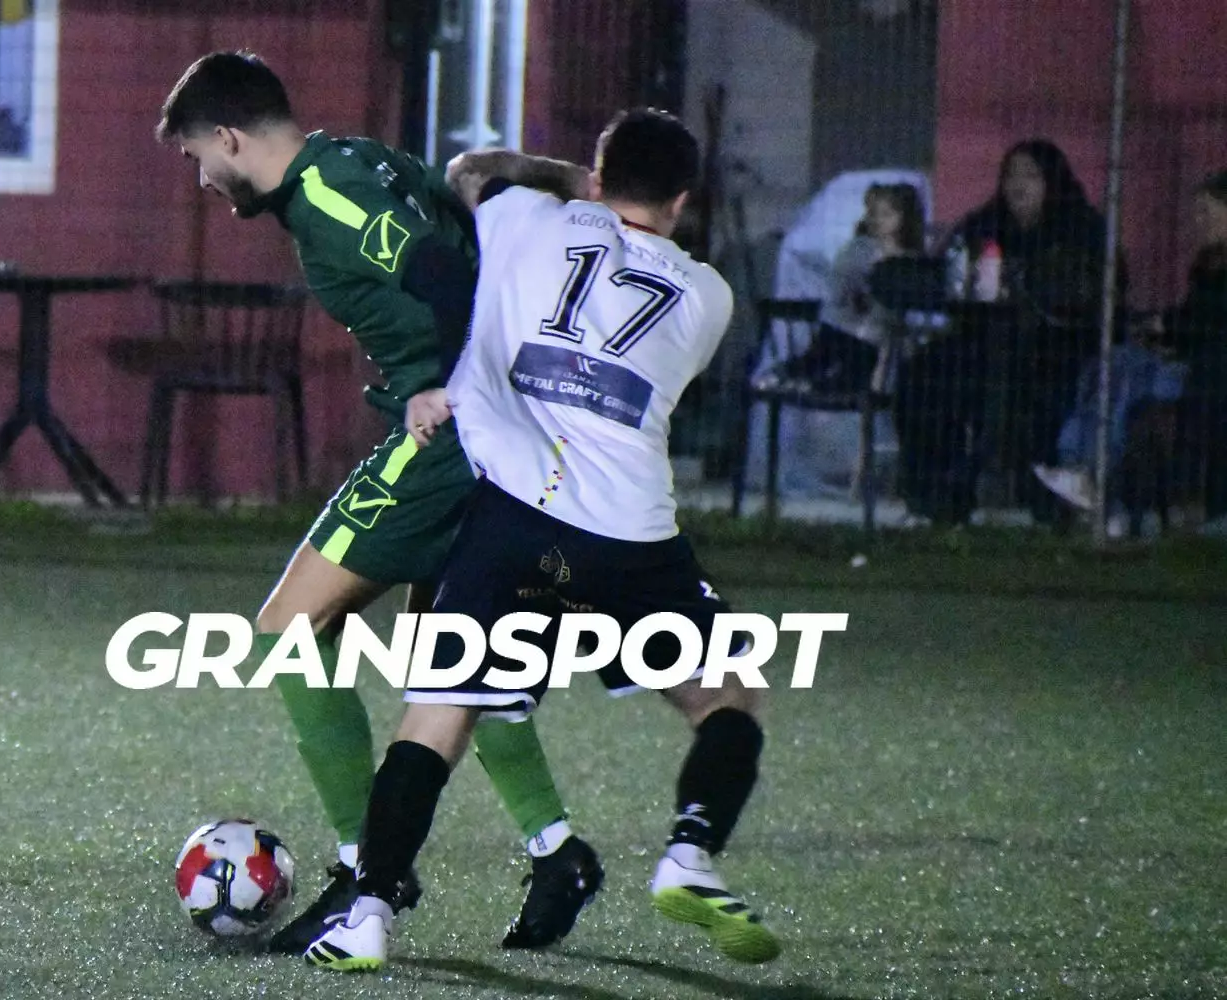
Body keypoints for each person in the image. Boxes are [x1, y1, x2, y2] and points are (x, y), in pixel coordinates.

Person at [305, 109, 781, 972]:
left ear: (597, 176)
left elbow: (468, 168)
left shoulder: (526, 216)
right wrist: (609, 197)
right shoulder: (708, 295)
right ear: (683, 199)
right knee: (728, 698)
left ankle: (368, 912)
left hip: (513, 516)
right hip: (630, 535)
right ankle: (689, 854)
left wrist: (570, 184)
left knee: (437, 715)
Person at [154, 50, 603, 954]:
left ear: (230, 139)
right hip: (510, 433)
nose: (201, 180)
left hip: (452, 440)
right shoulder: (357, 159)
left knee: (289, 629)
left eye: (198, 157)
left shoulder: (332, 196)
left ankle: (368, 871)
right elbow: (465, 219)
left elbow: (448, 276)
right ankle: (557, 853)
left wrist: (450, 386)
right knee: (456, 665)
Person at [897, 139, 1114, 525]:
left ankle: (1030, 492)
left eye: (1031, 175)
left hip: (1054, 348)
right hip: (982, 341)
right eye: (1011, 174)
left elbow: (1088, 294)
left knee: (1017, 387)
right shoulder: (986, 223)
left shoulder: (1082, 228)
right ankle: (933, 493)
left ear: (1051, 181)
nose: (1018, 184)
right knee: (923, 373)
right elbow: (948, 270)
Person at [1034, 168, 1227, 535]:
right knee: (1110, 364)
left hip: (1207, 370)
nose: (1199, 222)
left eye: (1208, 211)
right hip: (1185, 357)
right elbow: (1191, 321)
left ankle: (1097, 478)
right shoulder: (1206, 265)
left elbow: (1208, 321)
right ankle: (1077, 464)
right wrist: (1161, 332)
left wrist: (1169, 326)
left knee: (1129, 382)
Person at [756, 182, 926, 395]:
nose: (880, 221)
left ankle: (816, 386)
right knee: (822, 354)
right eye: (876, 214)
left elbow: (910, 303)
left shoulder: (911, 260)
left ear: (905, 218)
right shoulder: (860, 249)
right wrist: (855, 290)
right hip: (843, 325)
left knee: (857, 372)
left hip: (878, 336)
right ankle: (785, 377)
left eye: (888, 214)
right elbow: (838, 285)